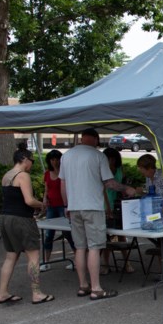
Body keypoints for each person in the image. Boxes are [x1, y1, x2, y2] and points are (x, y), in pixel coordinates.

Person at [58, 128, 137, 300]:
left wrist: (66, 205)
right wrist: (126, 188)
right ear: (94, 139)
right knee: (94, 247)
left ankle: (83, 285)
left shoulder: (66, 156)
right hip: (93, 207)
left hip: (74, 207)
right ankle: (96, 288)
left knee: (79, 247)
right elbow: (109, 183)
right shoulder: (98, 156)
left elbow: (62, 185)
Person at [0, 149, 54, 305]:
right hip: (22, 219)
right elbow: (28, 200)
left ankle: (2, 293)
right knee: (33, 256)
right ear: (23, 159)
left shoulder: (7, 176)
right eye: (32, 160)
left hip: (5, 218)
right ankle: (36, 293)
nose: (32, 164)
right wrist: (41, 204)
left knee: (10, 257)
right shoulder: (23, 176)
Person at [40, 149, 75, 271]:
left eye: (57, 159)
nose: (55, 162)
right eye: (52, 159)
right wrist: (44, 199)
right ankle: (46, 260)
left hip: (63, 205)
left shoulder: (65, 172)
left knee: (68, 233)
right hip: (51, 205)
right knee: (49, 233)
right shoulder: (47, 173)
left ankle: (76, 259)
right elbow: (46, 189)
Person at [101, 147, 133, 275]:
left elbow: (122, 185)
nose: (111, 161)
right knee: (106, 236)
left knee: (121, 235)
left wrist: (125, 193)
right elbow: (103, 191)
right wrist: (108, 209)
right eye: (109, 159)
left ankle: (127, 262)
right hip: (105, 205)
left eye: (113, 159)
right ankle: (106, 264)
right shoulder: (102, 171)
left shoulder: (119, 169)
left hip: (119, 204)